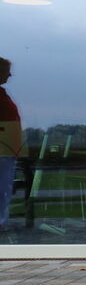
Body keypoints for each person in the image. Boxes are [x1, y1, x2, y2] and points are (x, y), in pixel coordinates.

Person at [0, 56, 22, 230]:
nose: (10, 75)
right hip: (3, 150)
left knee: (4, 187)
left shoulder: (2, 95)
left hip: (6, 150)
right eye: (7, 71)